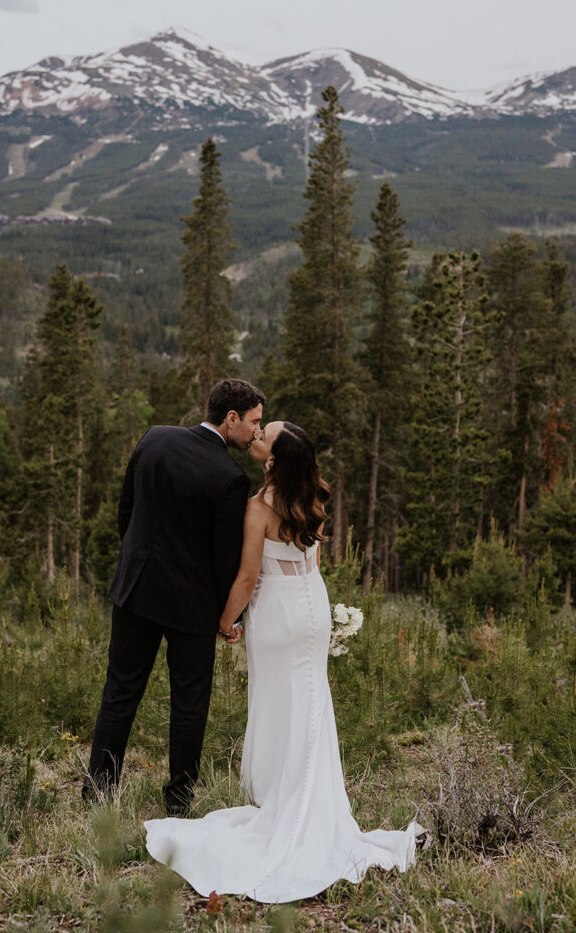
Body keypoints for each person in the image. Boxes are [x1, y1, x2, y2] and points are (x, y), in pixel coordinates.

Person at [145, 421, 424, 902]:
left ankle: (287, 809)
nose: (257, 437)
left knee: (278, 705)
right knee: (311, 705)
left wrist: (225, 621)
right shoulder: (310, 501)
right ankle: (313, 804)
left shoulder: (258, 508)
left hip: (277, 614)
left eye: (265, 436)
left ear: (273, 459)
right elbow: (310, 563)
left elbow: (249, 577)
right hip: (312, 608)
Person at [82, 378, 265, 815]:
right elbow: (227, 561)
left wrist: (136, 565)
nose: (257, 433)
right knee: (189, 703)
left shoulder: (155, 438)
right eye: (254, 422)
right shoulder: (230, 479)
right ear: (231, 417)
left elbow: (125, 513)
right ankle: (179, 801)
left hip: (137, 591)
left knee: (120, 692)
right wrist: (227, 619)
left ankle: (98, 793)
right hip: (192, 608)